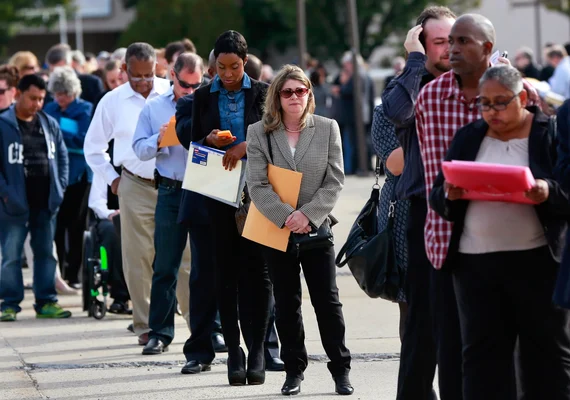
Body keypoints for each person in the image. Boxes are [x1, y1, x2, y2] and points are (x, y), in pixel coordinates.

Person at [430, 65, 570, 400]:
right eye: (485, 103)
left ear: (522, 98)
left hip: (537, 264)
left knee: (547, 358)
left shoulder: (546, 132)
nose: (491, 111)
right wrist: (448, 194)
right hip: (475, 267)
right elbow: (438, 194)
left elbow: (566, 191)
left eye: (500, 102)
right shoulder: (468, 136)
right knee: (482, 359)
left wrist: (547, 191)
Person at [246, 64, 353, 396]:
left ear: (310, 93)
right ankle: (294, 371)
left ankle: (341, 370)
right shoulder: (259, 132)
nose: (295, 97)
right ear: (277, 96)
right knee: (287, 303)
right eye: (288, 91)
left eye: (301, 90)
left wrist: (307, 215)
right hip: (278, 230)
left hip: (317, 229)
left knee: (328, 303)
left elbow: (335, 180)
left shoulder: (327, 128)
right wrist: (286, 216)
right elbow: (257, 184)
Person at [186, 30, 271, 386]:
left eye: (234, 66)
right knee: (226, 273)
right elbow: (193, 138)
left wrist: (245, 146)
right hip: (218, 190)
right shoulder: (204, 95)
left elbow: (275, 134)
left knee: (259, 274)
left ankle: (257, 351)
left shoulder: (264, 92)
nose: (228, 74)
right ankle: (233, 352)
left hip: (260, 192)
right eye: (221, 67)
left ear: (246, 62)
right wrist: (208, 139)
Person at [381, 6, 456, 399]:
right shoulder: (410, 82)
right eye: (439, 42)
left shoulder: (478, 80)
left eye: (454, 40)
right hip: (422, 212)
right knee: (421, 325)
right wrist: (413, 61)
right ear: (422, 44)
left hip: (473, 214)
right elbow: (397, 112)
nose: (449, 49)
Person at [84, 42, 172, 346]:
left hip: (172, 183)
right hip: (133, 184)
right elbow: (93, 148)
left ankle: (193, 319)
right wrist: (112, 180)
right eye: (137, 76)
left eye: (150, 75)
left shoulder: (171, 93)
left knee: (182, 253)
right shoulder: (112, 101)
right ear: (124, 70)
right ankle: (146, 325)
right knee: (138, 257)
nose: (145, 82)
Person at [132, 52, 202, 355]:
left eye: (197, 85)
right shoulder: (154, 107)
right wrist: (159, 140)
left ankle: (210, 331)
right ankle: (160, 333)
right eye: (186, 85)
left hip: (203, 188)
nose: (191, 91)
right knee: (165, 265)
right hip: (171, 190)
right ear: (173, 75)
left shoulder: (208, 102)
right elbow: (139, 149)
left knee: (205, 265)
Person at [0, 74, 70, 321]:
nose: (37, 104)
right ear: (18, 94)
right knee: (10, 255)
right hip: (13, 205)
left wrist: (59, 189)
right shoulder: (3, 124)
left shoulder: (49, 123)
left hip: (45, 202)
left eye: (41, 99)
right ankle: (9, 303)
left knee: (46, 253)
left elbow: (62, 158)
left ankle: (46, 301)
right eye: (32, 98)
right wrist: (6, 196)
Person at [44, 66, 93, 288]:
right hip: (54, 175)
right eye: (56, 93)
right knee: (56, 225)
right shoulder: (49, 108)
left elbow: (84, 139)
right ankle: (58, 274)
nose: (59, 98)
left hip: (79, 176)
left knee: (76, 225)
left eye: (63, 93)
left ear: (73, 92)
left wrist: (59, 135)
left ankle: (74, 275)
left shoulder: (85, 109)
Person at [370, 105, 409, 338]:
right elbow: (394, 165)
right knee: (409, 302)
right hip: (402, 210)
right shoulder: (387, 111)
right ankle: (414, 371)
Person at [87, 171, 131, 314]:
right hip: (110, 217)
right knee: (113, 231)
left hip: (142, 215)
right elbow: (96, 201)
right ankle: (120, 295)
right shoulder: (104, 166)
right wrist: (110, 213)